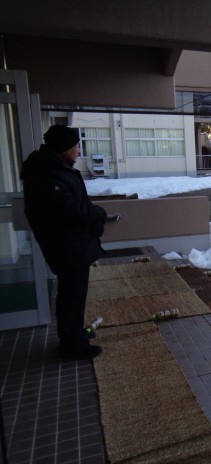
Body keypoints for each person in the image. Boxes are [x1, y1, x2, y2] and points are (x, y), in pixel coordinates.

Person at [20, 125, 107, 359]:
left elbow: (76, 205)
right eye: (76, 146)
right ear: (64, 148)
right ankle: (71, 344)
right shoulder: (46, 174)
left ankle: (73, 336)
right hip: (66, 247)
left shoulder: (55, 169)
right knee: (71, 295)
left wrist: (93, 221)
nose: (79, 151)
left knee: (73, 294)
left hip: (70, 244)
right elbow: (69, 211)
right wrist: (97, 214)